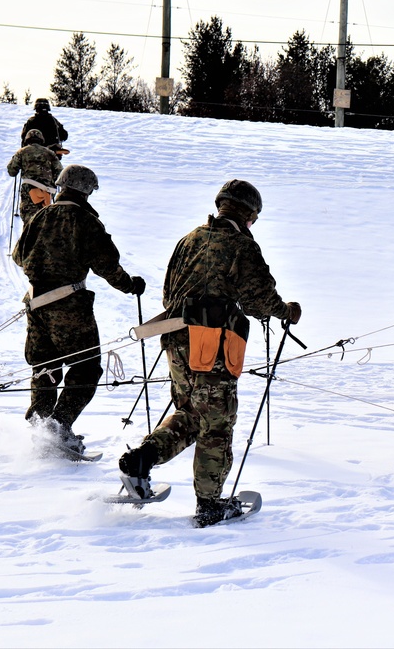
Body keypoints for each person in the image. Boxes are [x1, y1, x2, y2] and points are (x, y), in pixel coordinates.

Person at [117, 179, 301, 527]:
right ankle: (209, 504)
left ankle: (143, 458)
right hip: (211, 344)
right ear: (247, 213)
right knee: (217, 422)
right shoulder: (241, 244)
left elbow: (169, 292)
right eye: (254, 218)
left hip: (175, 339)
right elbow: (257, 297)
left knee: (191, 413)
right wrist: (285, 311)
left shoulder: (188, 239)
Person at [11, 164, 145, 456]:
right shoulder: (86, 222)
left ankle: (41, 427)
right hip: (69, 304)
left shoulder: (39, 217)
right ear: (86, 191)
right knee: (85, 367)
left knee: (44, 368)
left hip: (35, 302)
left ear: (61, 186)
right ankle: (59, 427)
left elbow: (18, 256)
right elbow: (107, 265)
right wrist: (130, 285)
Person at [7, 129, 63, 225]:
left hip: (29, 191)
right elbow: (60, 173)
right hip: (47, 192)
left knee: (29, 221)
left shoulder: (22, 152)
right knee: (45, 221)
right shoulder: (50, 153)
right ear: (41, 140)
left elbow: (11, 171)